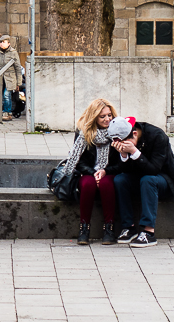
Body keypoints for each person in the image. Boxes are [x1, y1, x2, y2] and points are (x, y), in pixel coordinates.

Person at [107, 116, 174, 247]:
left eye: (125, 144)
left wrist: (134, 152)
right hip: (139, 179)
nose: (123, 147)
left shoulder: (157, 136)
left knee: (148, 180)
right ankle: (128, 227)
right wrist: (124, 156)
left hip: (163, 179)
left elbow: (154, 169)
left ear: (135, 134)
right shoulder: (120, 139)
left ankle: (149, 232)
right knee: (120, 180)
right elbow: (122, 169)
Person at [60, 98, 118, 245]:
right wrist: (93, 172)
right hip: (88, 172)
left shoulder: (117, 131)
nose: (107, 119)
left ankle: (109, 228)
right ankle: (84, 228)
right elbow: (77, 160)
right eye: (102, 116)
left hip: (109, 172)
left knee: (106, 184)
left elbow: (120, 161)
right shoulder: (84, 133)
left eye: (109, 115)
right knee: (88, 185)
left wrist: (104, 171)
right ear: (94, 117)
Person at [0, 35, 24, 121]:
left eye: (4, 42)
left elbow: (18, 68)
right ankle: (2, 112)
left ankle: (7, 113)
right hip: (0, 78)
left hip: (10, 78)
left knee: (6, 95)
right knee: (1, 95)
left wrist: (19, 83)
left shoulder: (13, 53)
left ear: (8, 43)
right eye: (1, 42)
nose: (2, 44)